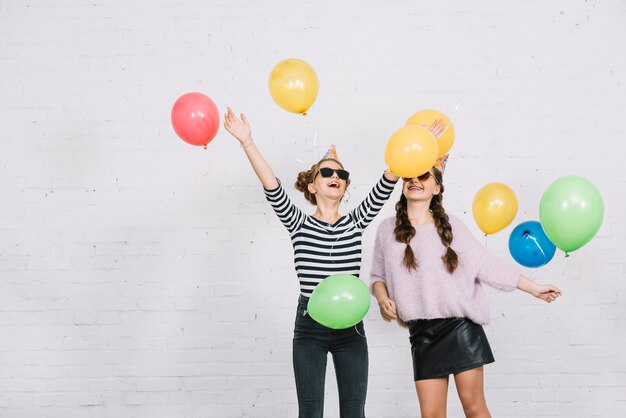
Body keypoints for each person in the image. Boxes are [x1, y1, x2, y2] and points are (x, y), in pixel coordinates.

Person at [223, 107, 413, 418]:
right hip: (310, 323)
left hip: (351, 327)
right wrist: (247, 142)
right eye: (326, 172)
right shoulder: (298, 223)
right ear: (312, 185)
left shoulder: (355, 221)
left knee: (354, 411)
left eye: (341, 174)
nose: (335, 176)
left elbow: (387, 180)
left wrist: (413, 146)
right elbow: (272, 186)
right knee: (310, 411)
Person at [370, 159, 563, 418]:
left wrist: (533, 287)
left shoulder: (451, 227)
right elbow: (377, 276)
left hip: (460, 328)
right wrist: (383, 300)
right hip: (422, 333)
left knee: (473, 407)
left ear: (437, 188)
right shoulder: (387, 230)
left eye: (424, 176)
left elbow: (486, 264)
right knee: (432, 415)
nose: (414, 181)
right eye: (409, 177)